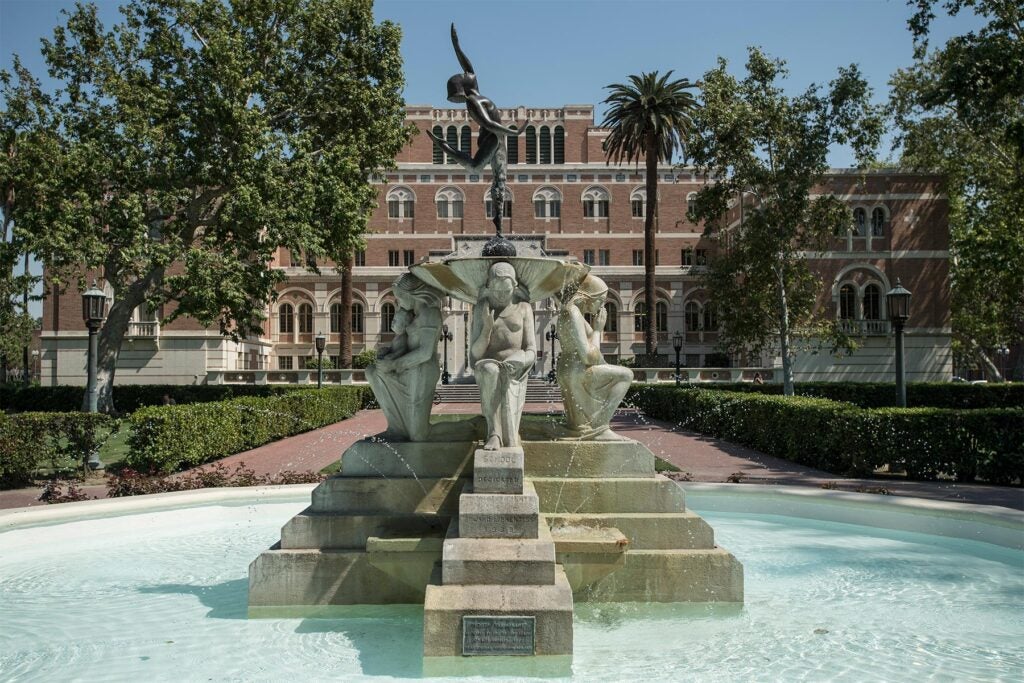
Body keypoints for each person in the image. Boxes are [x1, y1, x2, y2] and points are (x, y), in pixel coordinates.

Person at [425, 24, 527, 236]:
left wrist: (456, 45)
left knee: (487, 175)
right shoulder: (473, 91)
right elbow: (489, 125)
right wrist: (514, 133)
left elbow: (489, 123)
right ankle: (444, 147)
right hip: (494, 140)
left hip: (495, 140)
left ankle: (498, 225)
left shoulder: (473, 96)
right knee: (487, 174)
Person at [365, 274, 444, 441]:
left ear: (412, 293)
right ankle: (395, 427)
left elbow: (425, 352)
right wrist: (387, 353)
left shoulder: (430, 313)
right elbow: (404, 344)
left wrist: (393, 364)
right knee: (372, 372)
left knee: (419, 435)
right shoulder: (413, 316)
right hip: (408, 368)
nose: (398, 301)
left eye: (400, 296)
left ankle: (472, 426)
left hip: (422, 371)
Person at [556, 275, 633, 439]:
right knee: (626, 375)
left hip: (568, 369)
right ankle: (599, 428)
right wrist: (598, 330)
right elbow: (588, 357)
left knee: (578, 425)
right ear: (588, 297)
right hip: (577, 370)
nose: (601, 305)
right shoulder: (573, 313)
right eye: (600, 300)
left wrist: (596, 330)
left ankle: (592, 427)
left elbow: (591, 342)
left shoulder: (571, 312)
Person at [470, 262, 536, 449]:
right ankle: (494, 434)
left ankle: (506, 435)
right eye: (496, 291)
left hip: (516, 369)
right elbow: (475, 354)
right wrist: (487, 328)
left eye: (506, 291)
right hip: (488, 365)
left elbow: (532, 348)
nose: (501, 296)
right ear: (488, 287)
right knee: (491, 370)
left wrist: (521, 359)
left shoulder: (524, 308)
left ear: (514, 287)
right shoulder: (482, 307)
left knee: (512, 440)